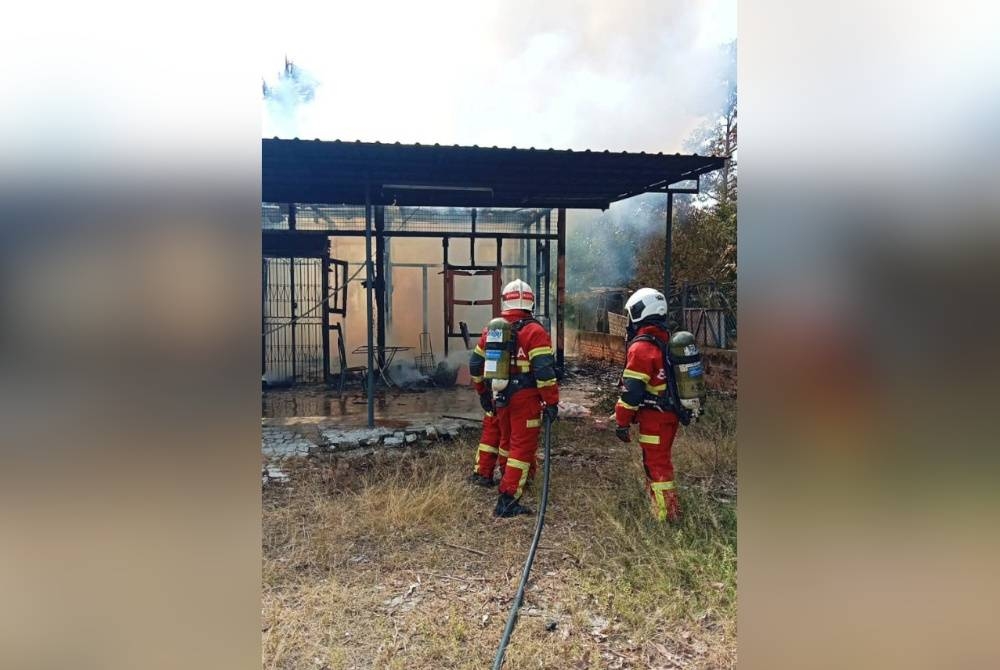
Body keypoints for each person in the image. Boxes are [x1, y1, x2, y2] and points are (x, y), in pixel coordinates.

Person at [468, 279, 559, 517]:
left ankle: (511, 478)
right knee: (522, 446)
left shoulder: (492, 329)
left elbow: (475, 364)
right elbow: (544, 373)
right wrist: (551, 402)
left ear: (505, 302)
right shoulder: (535, 331)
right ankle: (508, 499)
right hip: (525, 398)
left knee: (506, 439)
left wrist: (483, 394)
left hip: (499, 395)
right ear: (531, 303)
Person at [614, 287, 683, 523]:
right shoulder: (665, 341)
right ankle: (659, 506)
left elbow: (631, 393)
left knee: (656, 464)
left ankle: (667, 516)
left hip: (655, 418)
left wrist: (622, 422)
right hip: (668, 414)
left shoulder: (642, 347)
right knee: (657, 460)